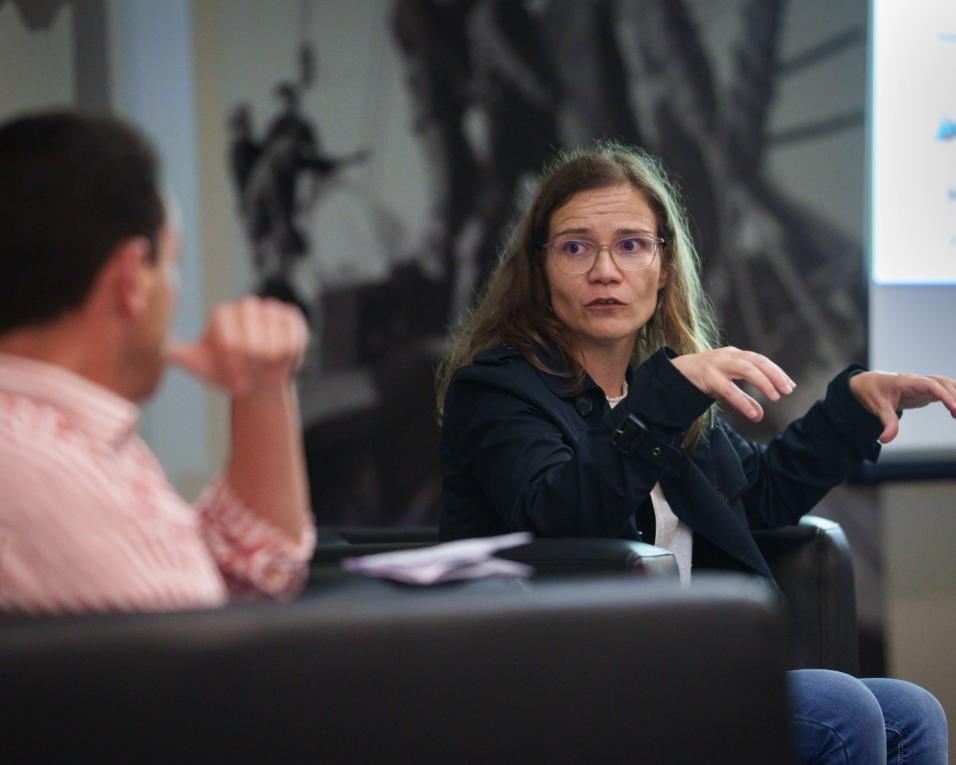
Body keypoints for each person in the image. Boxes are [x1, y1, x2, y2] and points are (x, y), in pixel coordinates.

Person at [436, 141, 951, 763]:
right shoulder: (498, 389)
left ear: (663, 266)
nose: (605, 270)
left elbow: (758, 497)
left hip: (685, 665)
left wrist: (854, 410)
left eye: (630, 245)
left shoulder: (657, 385)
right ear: (540, 268)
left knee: (912, 711)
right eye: (576, 247)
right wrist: (665, 398)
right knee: (840, 710)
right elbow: (559, 517)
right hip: (567, 678)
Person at [0, 111, 315, 613]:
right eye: (171, 262)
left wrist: (260, 388)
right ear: (132, 278)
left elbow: (247, 574)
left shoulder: (60, 441)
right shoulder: (51, 477)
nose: (174, 290)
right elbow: (209, 660)